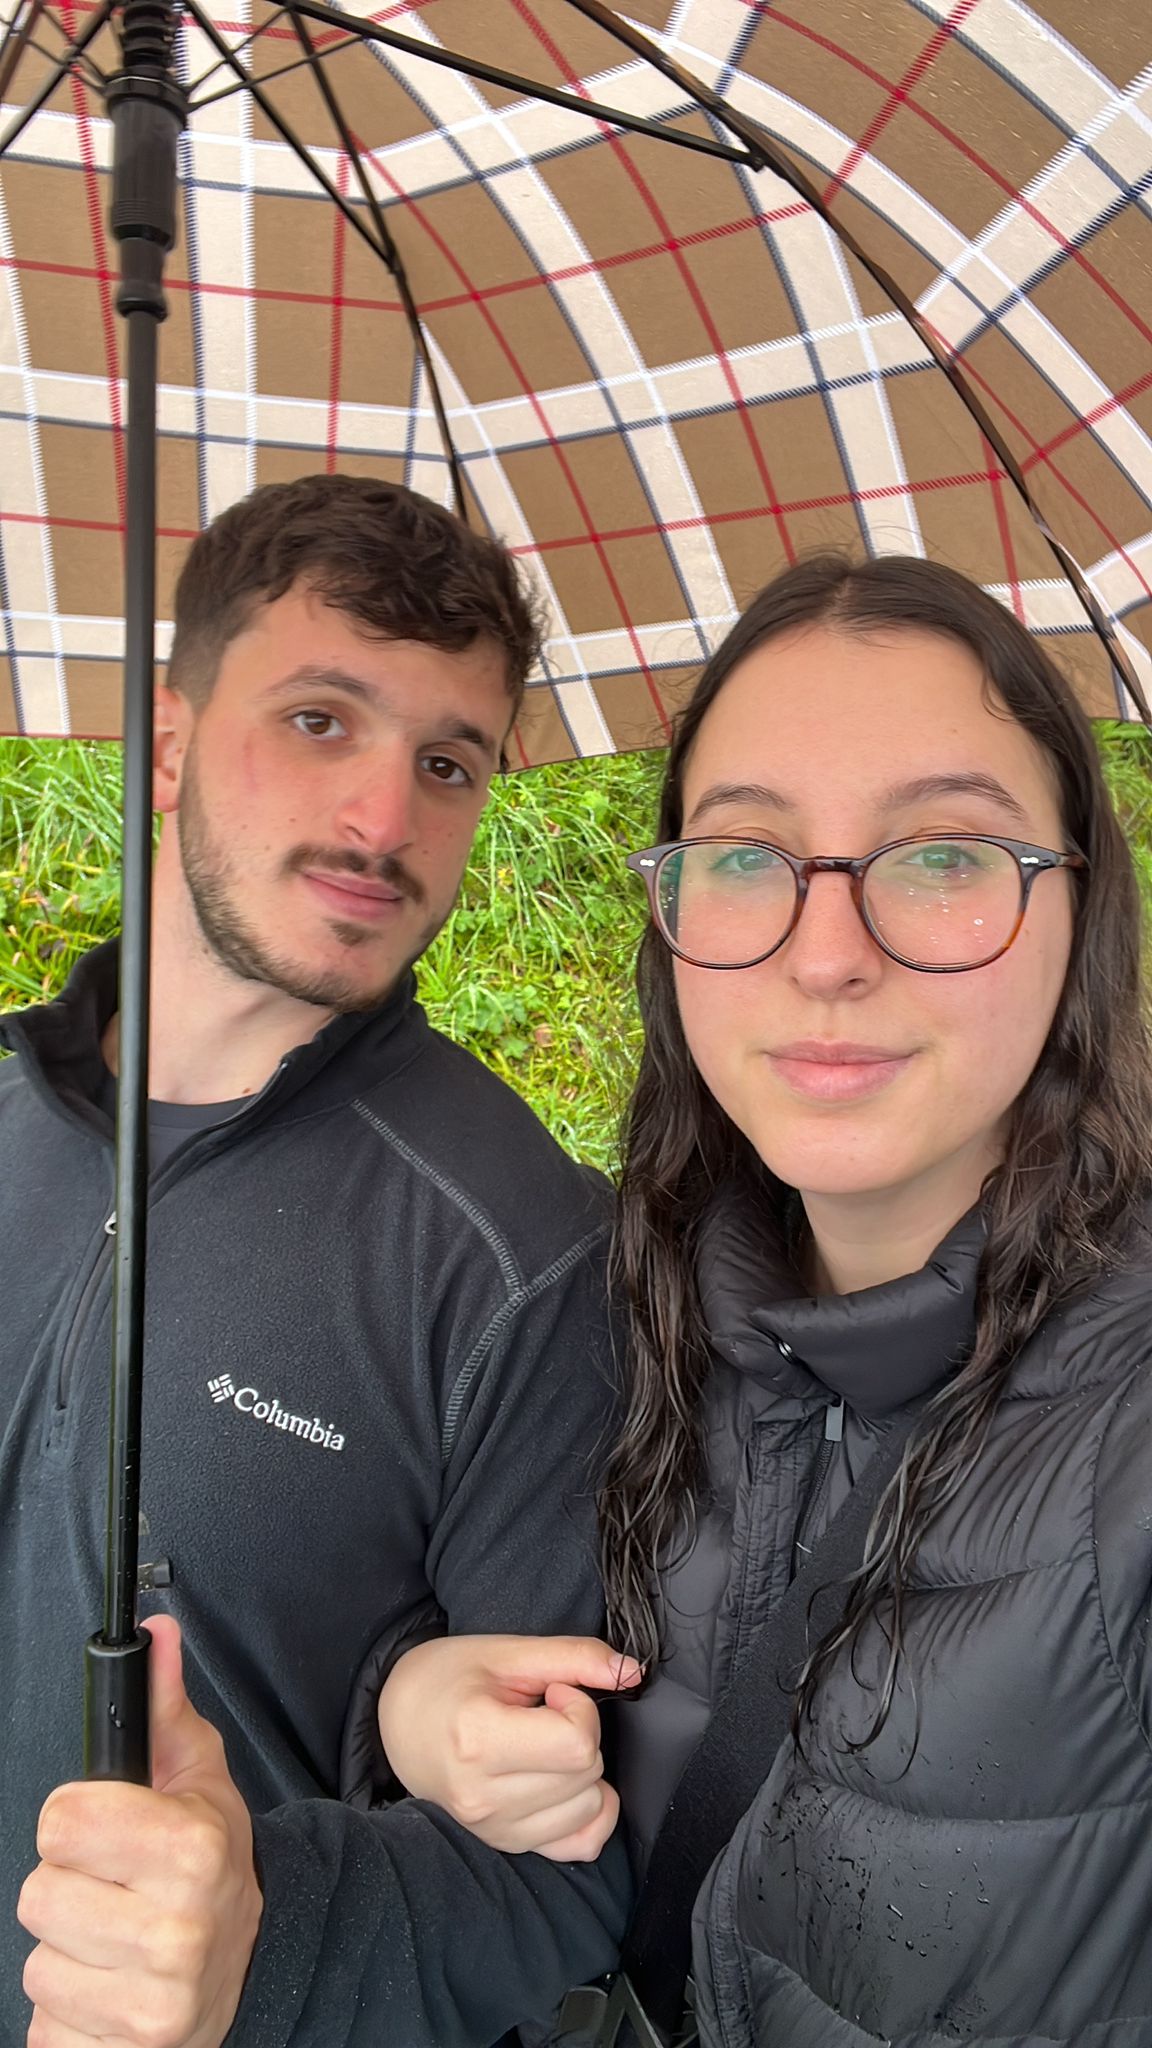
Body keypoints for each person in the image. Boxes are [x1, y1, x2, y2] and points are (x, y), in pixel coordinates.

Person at [375, 554, 1152, 2045]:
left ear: (1080, 906)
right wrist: (416, 1713)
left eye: (943, 853)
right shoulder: (625, 1305)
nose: (829, 956)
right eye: (746, 855)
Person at [1, 472, 638, 2048]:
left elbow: (567, 1878)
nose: (383, 823)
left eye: (447, 764)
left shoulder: (520, 1261)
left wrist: (251, 1955)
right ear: (165, 743)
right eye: (318, 721)